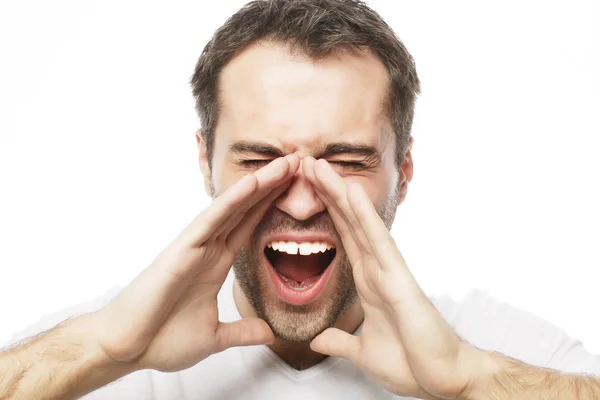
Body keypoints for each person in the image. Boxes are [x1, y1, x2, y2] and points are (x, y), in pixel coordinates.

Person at [1, 0, 599, 398]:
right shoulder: (93, 357)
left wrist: (469, 379)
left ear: (405, 171)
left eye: (345, 163)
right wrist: (103, 349)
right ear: (205, 163)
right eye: (261, 163)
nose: (306, 203)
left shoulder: (512, 353)